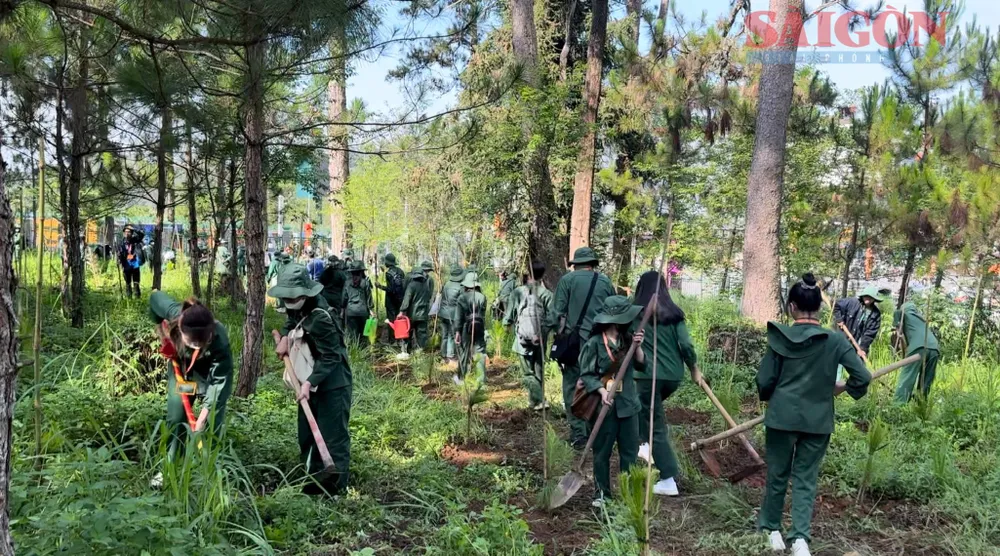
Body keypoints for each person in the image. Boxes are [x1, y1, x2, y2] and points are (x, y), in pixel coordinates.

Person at [756, 273, 871, 556]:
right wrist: (840, 387)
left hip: (782, 418)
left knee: (778, 475)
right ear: (819, 307)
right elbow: (862, 377)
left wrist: (774, 396)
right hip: (817, 420)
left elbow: (764, 381)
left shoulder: (780, 337)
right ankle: (800, 540)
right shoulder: (834, 341)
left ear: (792, 307)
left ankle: (772, 531)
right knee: (806, 478)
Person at [270, 264, 352, 495]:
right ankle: (313, 483)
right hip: (309, 379)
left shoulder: (322, 317)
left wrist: (309, 383)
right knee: (307, 435)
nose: (288, 301)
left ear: (305, 293)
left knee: (332, 437)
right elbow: (291, 320)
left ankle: (336, 491)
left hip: (332, 383)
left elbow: (331, 356)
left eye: (292, 296)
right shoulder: (298, 306)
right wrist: (285, 337)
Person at [149, 292, 233, 486]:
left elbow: (219, 383)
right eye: (191, 342)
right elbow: (154, 299)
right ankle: (169, 468)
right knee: (176, 418)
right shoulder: (175, 314)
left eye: (200, 344)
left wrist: (202, 417)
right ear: (181, 328)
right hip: (183, 374)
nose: (196, 346)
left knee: (212, 421)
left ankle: (209, 472)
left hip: (208, 378)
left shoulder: (219, 339)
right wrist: (163, 335)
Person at [631, 271, 701, 497]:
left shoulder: (635, 315)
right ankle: (646, 446)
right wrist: (694, 370)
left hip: (646, 378)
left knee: (654, 424)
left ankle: (668, 477)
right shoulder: (674, 314)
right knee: (645, 416)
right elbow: (686, 346)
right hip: (672, 377)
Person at [578, 295, 646, 507]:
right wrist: (601, 391)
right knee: (602, 452)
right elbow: (586, 375)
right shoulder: (594, 344)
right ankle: (602, 494)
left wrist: (639, 347)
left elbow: (642, 365)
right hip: (603, 408)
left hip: (628, 405)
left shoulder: (630, 340)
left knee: (629, 453)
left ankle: (629, 493)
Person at [549, 246, 616, 449]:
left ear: (575, 264)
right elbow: (614, 310)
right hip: (601, 345)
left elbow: (556, 313)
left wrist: (551, 334)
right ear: (593, 264)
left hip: (576, 345)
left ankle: (579, 434)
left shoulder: (567, 281)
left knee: (572, 386)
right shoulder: (604, 281)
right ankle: (598, 430)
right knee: (597, 385)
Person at [504, 261, 553, 410]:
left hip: (522, 338)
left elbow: (510, 314)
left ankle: (538, 400)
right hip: (540, 338)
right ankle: (535, 401)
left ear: (528, 274)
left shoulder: (518, 292)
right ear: (542, 275)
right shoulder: (547, 294)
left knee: (527, 372)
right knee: (539, 369)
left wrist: (507, 325)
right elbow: (552, 318)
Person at [892, 301, 940, 403]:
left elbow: (900, 335)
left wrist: (897, 324)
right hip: (935, 348)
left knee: (907, 377)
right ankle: (921, 405)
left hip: (918, 347)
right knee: (925, 381)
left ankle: (897, 405)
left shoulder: (902, 313)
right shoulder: (921, 320)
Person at [833, 285, 885, 358]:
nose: (867, 298)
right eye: (866, 295)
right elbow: (836, 305)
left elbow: (870, 333)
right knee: (837, 362)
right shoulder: (852, 302)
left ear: (874, 299)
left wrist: (863, 348)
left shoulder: (875, 314)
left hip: (857, 343)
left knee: (857, 364)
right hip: (842, 339)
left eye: (870, 297)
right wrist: (839, 319)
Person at [455, 272, 488, 384]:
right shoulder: (482, 297)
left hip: (466, 328)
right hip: (480, 326)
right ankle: (481, 381)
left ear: (466, 286)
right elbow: (482, 315)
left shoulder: (462, 298)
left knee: (463, 352)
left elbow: (458, 317)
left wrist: (457, 331)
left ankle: (462, 378)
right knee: (480, 352)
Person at [399, 267, 432, 351]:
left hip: (412, 314)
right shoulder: (426, 286)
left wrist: (402, 311)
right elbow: (429, 298)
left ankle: (407, 351)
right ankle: (420, 351)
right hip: (423, 314)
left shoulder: (411, 285)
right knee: (422, 334)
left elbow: (406, 300)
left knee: (408, 332)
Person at [343, 261, 374, 343]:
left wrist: (342, 308)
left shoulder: (347, 283)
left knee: (353, 335)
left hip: (351, 312)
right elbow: (369, 297)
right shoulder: (365, 282)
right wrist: (371, 309)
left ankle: (355, 352)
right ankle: (365, 353)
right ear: (361, 271)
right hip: (363, 312)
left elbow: (344, 298)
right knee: (364, 334)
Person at [439, 264, 465, 365]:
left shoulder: (446, 284)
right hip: (453, 315)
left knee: (444, 334)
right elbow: (462, 302)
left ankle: (443, 354)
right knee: (451, 335)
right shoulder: (460, 287)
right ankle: (450, 356)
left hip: (443, 312)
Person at [118, 225, 146, 298]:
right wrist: (118, 260)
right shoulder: (121, 243)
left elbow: (142, 235)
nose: (127, 234)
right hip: (126, 265)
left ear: (132, 233)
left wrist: (134, 229)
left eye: (129, 232)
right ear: (124, 233)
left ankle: (137, 298)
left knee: (136, 283)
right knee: (128, 283)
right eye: (126, 232)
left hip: (135, 264)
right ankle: (129, 298)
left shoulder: (135, 240)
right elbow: (119, 253)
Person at [376, 253, 406, 320]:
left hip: (390, 302)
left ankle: (391, 330)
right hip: (400, 300)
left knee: (391, 321)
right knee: (399, 321)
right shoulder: (401, 271)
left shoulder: (388, 273)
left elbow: (391, 289)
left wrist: (380, 286)